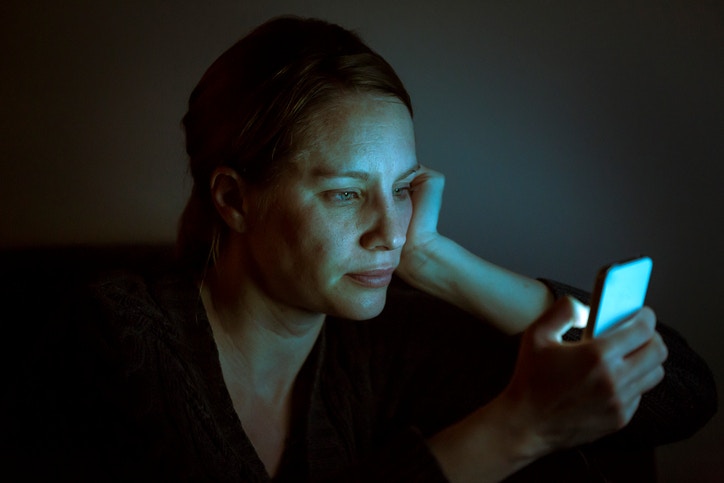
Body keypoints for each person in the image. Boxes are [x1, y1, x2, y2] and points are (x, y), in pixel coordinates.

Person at [18, 15, 716, 482]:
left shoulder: (373, 336)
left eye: (405, 186)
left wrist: (436, 259)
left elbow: (681, 391)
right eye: (347, 193)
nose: (391, 228)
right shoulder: (117, 335)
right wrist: (517, 429)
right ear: (234, 199)